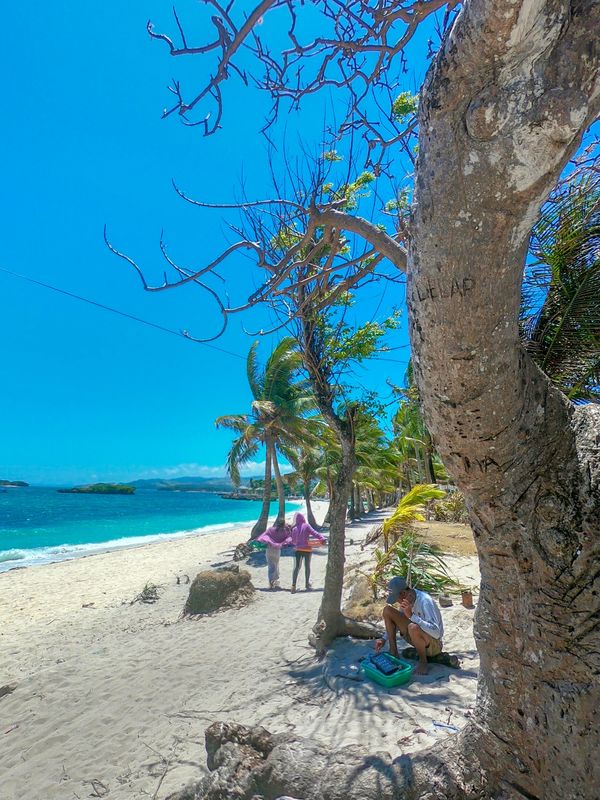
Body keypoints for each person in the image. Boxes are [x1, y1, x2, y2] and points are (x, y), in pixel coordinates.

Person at [375, 576, 444, 675]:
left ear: (403, 593)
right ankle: (393, 652)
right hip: (417, 639)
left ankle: (423, 662)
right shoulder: (406, 599)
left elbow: (436, 633)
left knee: (413, 627)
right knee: (387, 610)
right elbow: (398, 622)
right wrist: (384, 639)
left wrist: (412, 616)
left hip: (434, 645)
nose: (397, 602)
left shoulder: (425, 601)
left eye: (396, 598)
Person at [290, 511, 326, 593]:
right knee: (307, 566)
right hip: (307, 549)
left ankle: (293, 585)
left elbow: (293, 541)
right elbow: (315, 533)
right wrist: (322, 538)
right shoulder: (306, 526)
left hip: (298, 550)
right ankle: (306, 584)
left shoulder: (294, 529)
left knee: (296, 567)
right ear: (303, 518)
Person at [257, 521, 292, 589]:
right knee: (276, 565)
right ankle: (275, 581)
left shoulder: (270, 529)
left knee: (271, 566)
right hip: (277, 550)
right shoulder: (285, 532)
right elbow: (289, 538)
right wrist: (281, 543)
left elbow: (263, 536)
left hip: (269, 549)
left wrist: (270, 542)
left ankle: (271, 583)